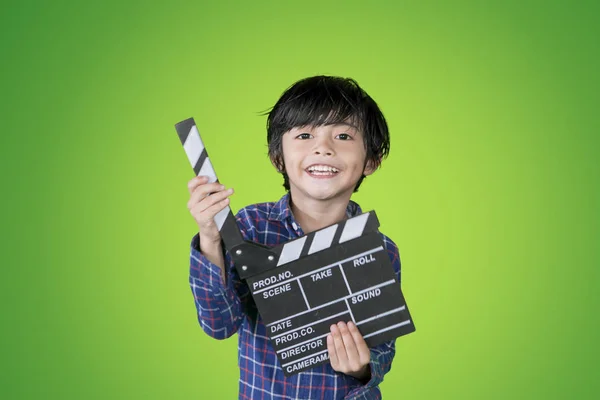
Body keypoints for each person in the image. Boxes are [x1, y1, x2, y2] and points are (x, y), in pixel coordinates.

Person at [187, 75, 402, 399]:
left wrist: (362, 366)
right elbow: (219, 324)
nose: (323, 148)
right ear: (279, 159)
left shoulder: (380, 249)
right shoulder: (250, 228)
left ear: (370, 161)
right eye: (304, 134)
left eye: (343, 135)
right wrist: (210, 238)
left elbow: (383, 349)